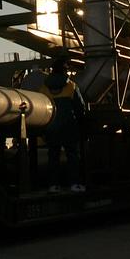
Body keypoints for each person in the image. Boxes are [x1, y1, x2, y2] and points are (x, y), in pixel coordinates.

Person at [40, 59, 87, 192]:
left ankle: (53, 185)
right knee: (72, 155)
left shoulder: (43, 88)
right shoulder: (71, 86)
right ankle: (74, 184)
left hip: (51, 127)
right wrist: (81, 123)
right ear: (65, 71)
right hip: (69, 127)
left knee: (53, 156)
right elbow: (80, 108)